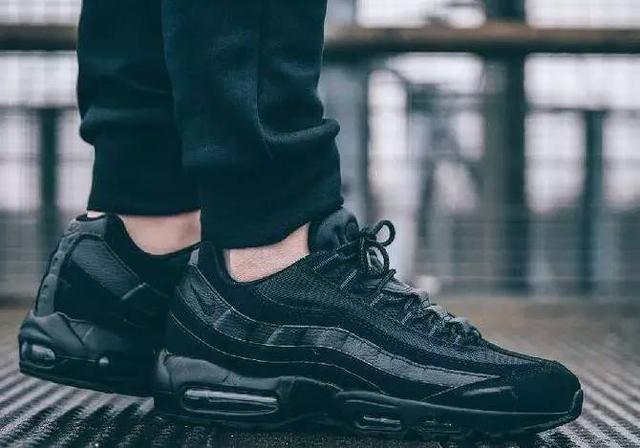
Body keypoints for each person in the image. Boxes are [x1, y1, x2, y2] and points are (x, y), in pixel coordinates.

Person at [17, 0, 582, 440]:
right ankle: (273, 256)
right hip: (258, 242)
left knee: (156, 198)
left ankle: (148, 235)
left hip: (148, 215)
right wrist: (270, 201)